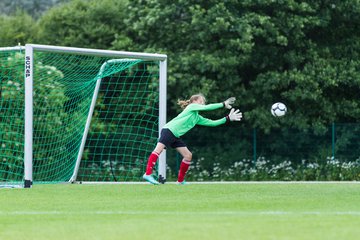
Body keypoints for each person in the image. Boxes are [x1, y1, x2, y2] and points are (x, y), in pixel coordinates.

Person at [143, 93, 242, 185]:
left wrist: (228, 118)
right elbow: (208, 108)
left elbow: (213, 123)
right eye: (201, 102)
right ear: (194, 101)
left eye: (203, 103)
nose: (202, 104)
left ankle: (180, 181)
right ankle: (147, 174)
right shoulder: (191, 107)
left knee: (188, 155)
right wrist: (223, 104)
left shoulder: (196, 118)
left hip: (175, 135)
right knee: (158, 150)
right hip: (169, 130)